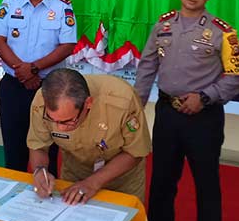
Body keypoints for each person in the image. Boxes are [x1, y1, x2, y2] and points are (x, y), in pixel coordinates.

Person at [135, 0, 239, 221]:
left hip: (204, 119)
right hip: (167, 114)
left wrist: (205, 97)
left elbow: (237, 77)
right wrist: (135, 107)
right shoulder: (163, 25)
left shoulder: (224, 32)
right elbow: (147, 67)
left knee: (206, 187)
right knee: (161, 182)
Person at [0, 0, 77, 173]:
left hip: (50, 88)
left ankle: (46, 192)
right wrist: (22, 72)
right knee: (14, 151)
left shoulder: (62, 7)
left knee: (49, 150)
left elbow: (67, 45)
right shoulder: (10, 3)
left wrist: (33, 68)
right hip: (14, 86)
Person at [27, 68, 151, 203]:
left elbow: (135, 152)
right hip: (74, 179)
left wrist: (92, 183)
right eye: (52, 120)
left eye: (68, 121)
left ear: (88, 103)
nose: (60, 128)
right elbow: (38, 145)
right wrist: (39, 170)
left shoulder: (123, 100)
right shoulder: (42, 100)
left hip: (121, 182)